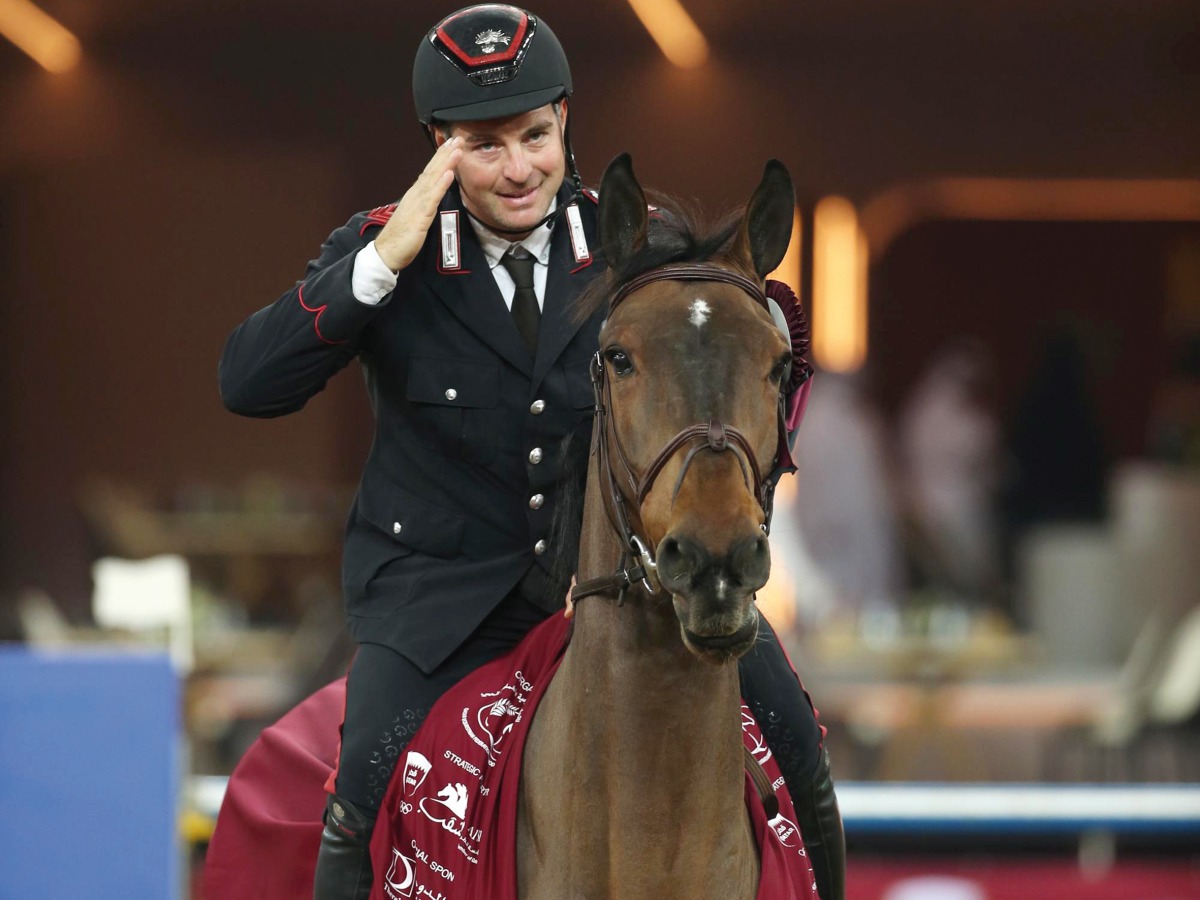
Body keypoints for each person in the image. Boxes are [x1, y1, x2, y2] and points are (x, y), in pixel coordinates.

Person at [219, 6, 845, 899]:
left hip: (617, 589)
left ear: (565, 125)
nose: (518, 168)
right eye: (483, 145)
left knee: (796, 739)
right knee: (362, 779)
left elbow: (729, 338)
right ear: (439, 145)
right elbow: (248, 384)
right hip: (440, 605)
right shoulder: (384, 250)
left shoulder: (633, 240)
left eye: (535, 136)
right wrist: (380, 266)